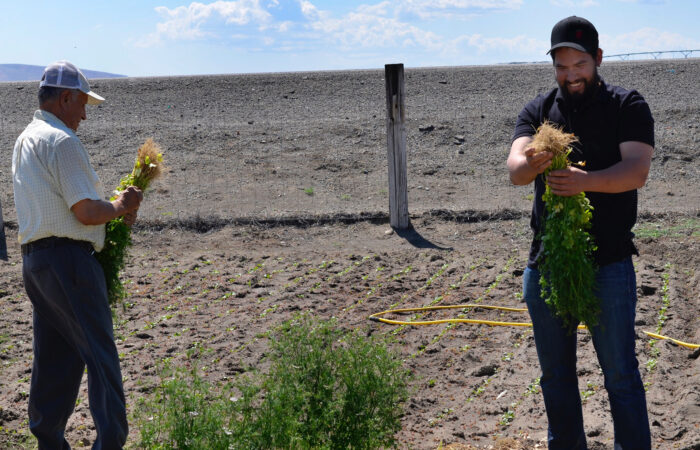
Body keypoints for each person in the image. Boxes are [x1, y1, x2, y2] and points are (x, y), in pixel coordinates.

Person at [506, 17, 654, 449]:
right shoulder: (539, 111)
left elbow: (637, 171)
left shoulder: (627, 105)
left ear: (598, 59)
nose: (570, 75)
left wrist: (585, 182)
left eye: (580, 64)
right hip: (547, 263)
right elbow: (514, 169)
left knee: (620, 375)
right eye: (562, 66)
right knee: (555, 376)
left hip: (609, 263)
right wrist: (530, 162)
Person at [12, 60, 143, 449]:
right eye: (83, 104)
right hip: (68, 263)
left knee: (56, 357)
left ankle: (48, 440)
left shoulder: (26, 139)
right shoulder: (61, 141)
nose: (84, 115)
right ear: (65, 98)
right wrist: (120, 206)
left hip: (36, 264)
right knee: (101, 358)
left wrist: (112, 212)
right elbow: (85, 211)